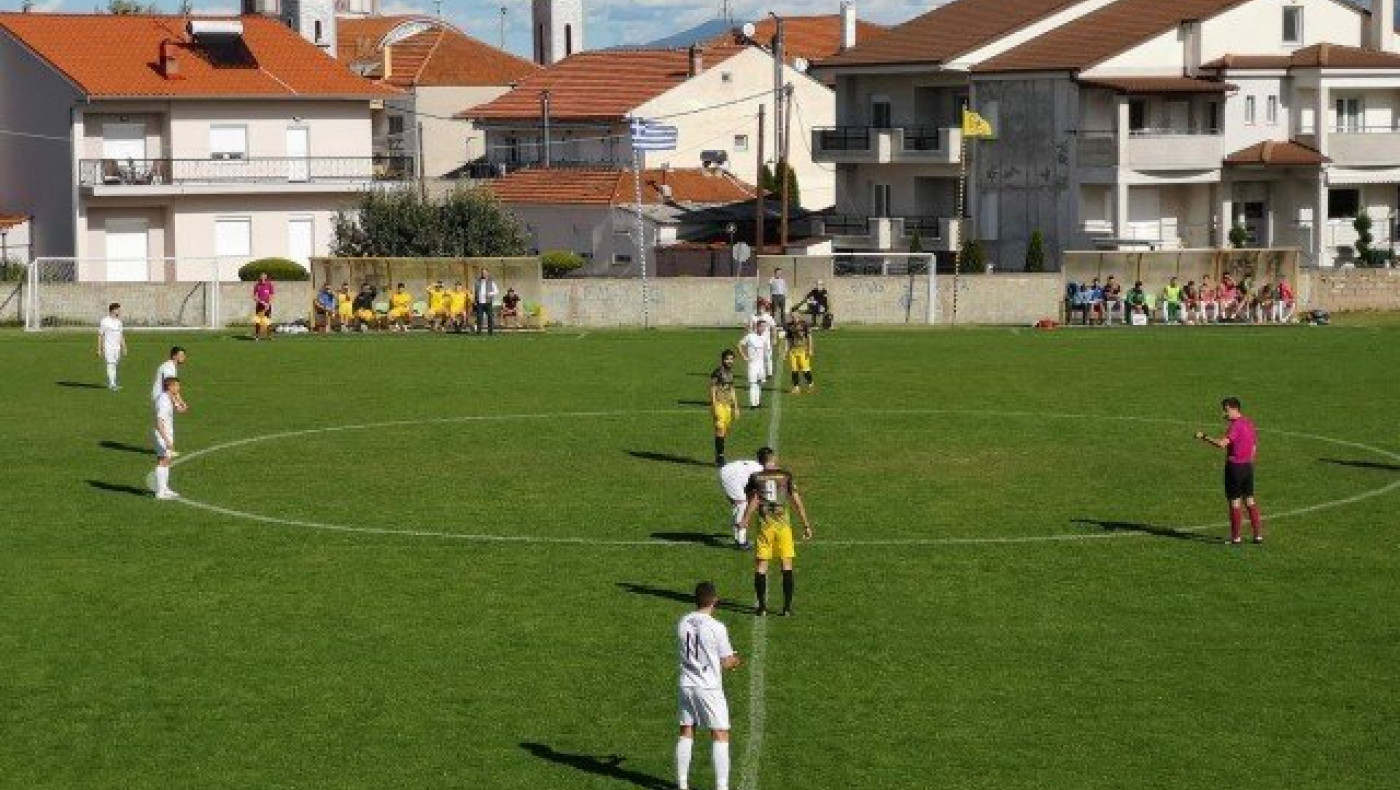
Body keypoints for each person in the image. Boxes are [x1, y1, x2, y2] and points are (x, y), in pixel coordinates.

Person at [675, 581, 741, 790]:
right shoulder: (716, 627)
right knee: (720, 733)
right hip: (708, 687)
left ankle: (682, 784)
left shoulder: (683, 621)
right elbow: (727, 661)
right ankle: (722, 787)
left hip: (687, 683)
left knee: (686, 729)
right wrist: (736, 660)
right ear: (714, 600)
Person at [742, 446, 814, 616]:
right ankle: (787, 608)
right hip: (783, 527)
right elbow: (797, 501)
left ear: (760, 462)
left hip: (765, 526)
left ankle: (761, 608)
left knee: (761, 566)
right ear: (774, 459)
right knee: (786, 565)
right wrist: (806, 525)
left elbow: (753, 500)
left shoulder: (755, 477)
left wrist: (745, 520)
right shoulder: (786, 476)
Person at [1195, 397, 1264, 545]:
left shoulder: (1236, 426)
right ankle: (1258, 536)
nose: (1224, 414)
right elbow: (1254, 446)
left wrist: (1203, 437)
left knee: (1235, 503)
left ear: (1234, 409)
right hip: (1247, 467)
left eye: (1226, 410)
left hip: (1234, 468)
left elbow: (1222, 444)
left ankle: (1236, 537)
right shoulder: (1249, 423)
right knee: (1250, 500)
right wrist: (1248, 461)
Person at [719, 456, 764, 548]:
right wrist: (746, 519)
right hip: (731, 476)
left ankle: (737, 536)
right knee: (742, 505)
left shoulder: (757, 467)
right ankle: (741, 542)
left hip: (728, 472)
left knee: (739, 505)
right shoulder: (761, 475)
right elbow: (754, 498)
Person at [152, 376, 183, 500]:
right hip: (162, 433)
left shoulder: (169, 397)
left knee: (168, 460)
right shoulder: (163, 401)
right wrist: (166, 440)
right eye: (176, 386)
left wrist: (181, 405)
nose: (178, 388)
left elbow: (179, 408)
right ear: (170, 387)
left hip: (168, 432)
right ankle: (160, 492)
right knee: (163, 460)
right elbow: (159, 422)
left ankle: (165, 488)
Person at [710, 349, 740, 466]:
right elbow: (712, 388)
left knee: (724, 431)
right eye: (727, 359)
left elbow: (732, 390)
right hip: (718, 404)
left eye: (731, 359)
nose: (729, 361)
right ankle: (720, 457)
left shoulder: (731, 373)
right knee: (720, 429)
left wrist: (736, 407)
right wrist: (714, 405)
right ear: (723, 360)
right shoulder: (717, 372)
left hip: (727, 406)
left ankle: (720, 454)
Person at [737, 323, 769, 409]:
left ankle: (758, 403)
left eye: (764, 327)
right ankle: (753, 404)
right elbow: (739, 345)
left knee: (759, 383)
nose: (763, 328)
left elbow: (765, 349)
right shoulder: (750, 336)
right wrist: (744, 356)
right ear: (757, 327)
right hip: (753, 364)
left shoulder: (764, 337)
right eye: (762, 326)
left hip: (761, 365)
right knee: (753, 384)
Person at [97, 302, 127, 391]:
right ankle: (112, 384)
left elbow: (121, 335)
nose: (119, 311)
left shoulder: (119, 322)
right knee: (111, 364)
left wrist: (124, 347)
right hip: (108, 347)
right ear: (113, 310)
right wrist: (99, 349)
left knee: (115, 364)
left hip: (117, 347)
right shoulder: (104, 321)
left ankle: (113, 383)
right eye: (118, 309)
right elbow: (100, 335)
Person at [152, 346, 189, 412]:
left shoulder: (171, 366)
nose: (184, 357)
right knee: (163, 422)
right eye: (181, 355)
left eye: (184, 355)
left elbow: (174, 389)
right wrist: (177, 405)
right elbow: (169, 388)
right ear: (174, 356)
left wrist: (182, 402)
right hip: (162, 400)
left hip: (164, 399)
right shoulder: (168, 368)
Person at [784, 314, 814, 393]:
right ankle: (796, 387)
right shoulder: (789, 326)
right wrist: (786, 350)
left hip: (803, 350)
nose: (795, 318)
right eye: (793, 317)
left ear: (800, 316)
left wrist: (810, 349)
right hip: (793, 351)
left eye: (796, 316)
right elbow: (788, 339)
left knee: (805, 369)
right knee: (794, 370)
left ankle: (811, 385)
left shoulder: (804, 324)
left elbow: (809, 337)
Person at [749, 300, 778, 381]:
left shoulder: (768, 317)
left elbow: (773, 328)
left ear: (765, 308)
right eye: (759, 308)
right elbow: (750, 328)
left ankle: (769, 373)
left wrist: (774, 338)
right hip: (756, 342)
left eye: (762, 308)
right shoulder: (753, 317)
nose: (760, 309)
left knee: (768, 357)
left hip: (766, 341)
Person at [474, 268, 499, 335]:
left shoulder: (491, 282)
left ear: (487, 273)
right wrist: (475, 300)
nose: (483, 274)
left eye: (485, 273)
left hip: (488, 302)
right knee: (479, 317)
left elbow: (496, 291)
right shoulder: (477, 281)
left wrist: (490, 293)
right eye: (482, 273)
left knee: (490, 316)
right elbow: (476, 292)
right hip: (480, 302)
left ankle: (490, 332)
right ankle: (479, 331)